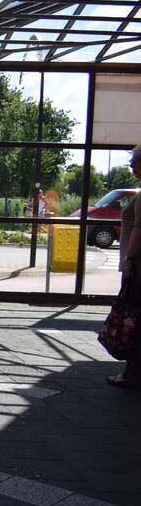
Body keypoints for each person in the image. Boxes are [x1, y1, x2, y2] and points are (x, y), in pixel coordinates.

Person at [109, 145, 141, 386]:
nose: (131, 167)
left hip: (138, 265)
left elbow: (139, 229)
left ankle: (132, 373)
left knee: (133, 317)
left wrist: (129, 260)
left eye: (134, 162)